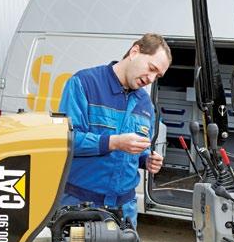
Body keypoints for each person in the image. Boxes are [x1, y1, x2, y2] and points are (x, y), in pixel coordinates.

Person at [59, 33, 172, 228]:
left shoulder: (145, 103)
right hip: (80, 204)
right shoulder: (84, 83)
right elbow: (67, 141)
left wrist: (147, 160)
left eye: (158, 76)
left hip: (125, 209)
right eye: (151, 68)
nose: (151, 79)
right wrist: (114, 142)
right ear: (135, 51)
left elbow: (137, 151)